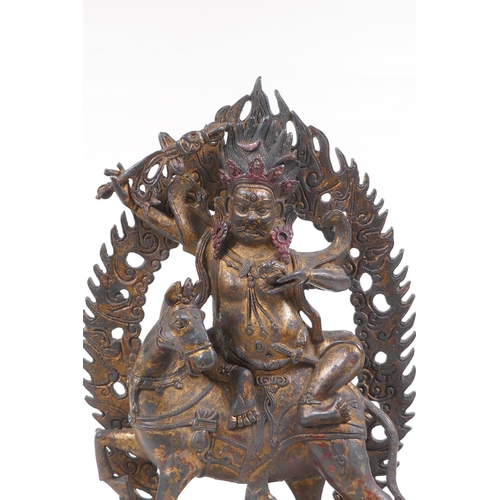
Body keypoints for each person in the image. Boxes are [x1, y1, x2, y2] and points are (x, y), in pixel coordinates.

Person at [111, 119, 364, 431]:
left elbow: (340, 278)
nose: (251, 217)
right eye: (242, 207)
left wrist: (306, 276)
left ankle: (312, 401)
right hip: (230, 358)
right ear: (226, 208)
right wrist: (135, 203)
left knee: (351, 348)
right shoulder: (215, 251)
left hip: (295, 353)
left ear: (278, 213)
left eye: (262, 210)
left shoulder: (288, 259)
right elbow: (173, 228)